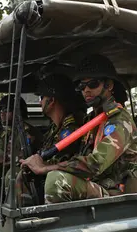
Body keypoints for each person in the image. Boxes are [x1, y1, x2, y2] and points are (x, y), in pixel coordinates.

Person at [21, 54, 137, 203]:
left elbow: (96, 164)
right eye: (81, 86)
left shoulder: (119, 120)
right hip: (96, 184)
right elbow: (78, 157)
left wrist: (45, 168)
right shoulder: (91, 120)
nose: (86, 90)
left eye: (93, 84)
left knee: (56, 180)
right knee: (27, 174)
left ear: (109, 85)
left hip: (115, 191)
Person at [14, 73, 86, 205]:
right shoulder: (54, 128)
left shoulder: (71, 130)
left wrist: (38, 163)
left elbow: (61, 161)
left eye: (42, 97)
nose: (39, 102)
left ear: (51, 101)